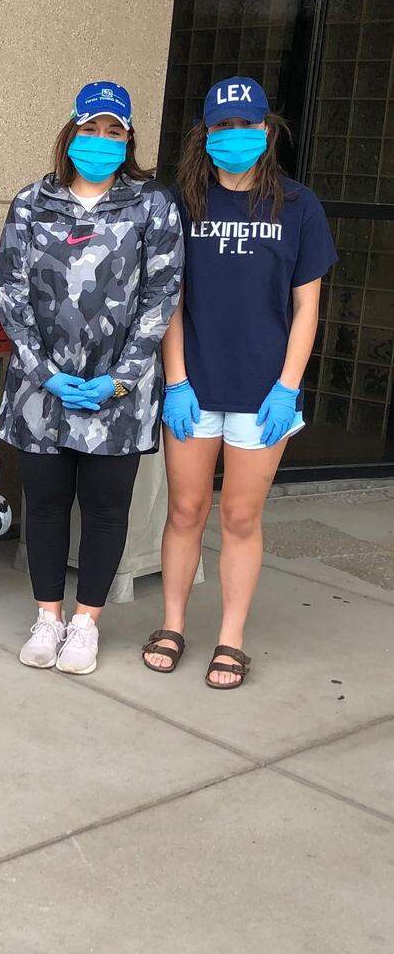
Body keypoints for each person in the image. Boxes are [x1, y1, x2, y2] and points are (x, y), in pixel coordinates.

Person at [146, 77, 337, 689]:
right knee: (184, 510)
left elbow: (307, 307)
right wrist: (176, 380)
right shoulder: (182, 203)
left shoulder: (299, 207)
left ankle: (231, 637)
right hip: (195, 387)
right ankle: (172, 623)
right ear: (206, 134)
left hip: (263, 394)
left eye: (247, 125)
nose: (235, 137)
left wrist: (288, 386)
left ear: (267, 130)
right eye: (222, 127)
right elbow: (169, 300)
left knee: (241, 517)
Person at [0, 81, 184, 675]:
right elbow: (11, 291)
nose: (100, 141)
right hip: (40, 394)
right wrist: (42, 372)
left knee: (106, 510)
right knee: (46, 505)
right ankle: (48, 617)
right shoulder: (31, 203)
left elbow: (163, 293)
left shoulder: (152, 205)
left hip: (117, 397)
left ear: (128, 139)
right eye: (91, 129)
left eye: (114, 131)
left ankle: (85, 624)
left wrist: (122, 378)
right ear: (71, 133)